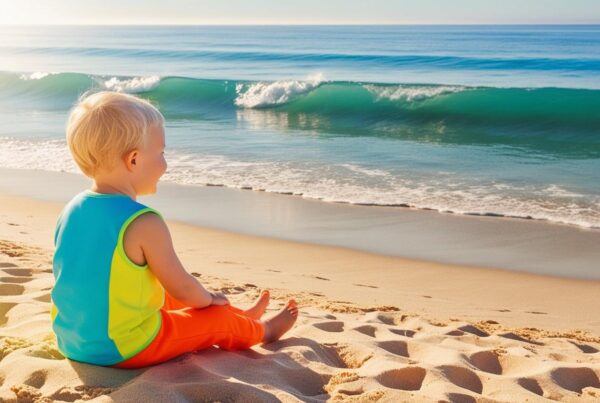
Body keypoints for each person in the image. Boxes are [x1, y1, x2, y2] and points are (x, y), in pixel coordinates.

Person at [51, 90, 298, 369]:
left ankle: (241, 317)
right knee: (211, 315)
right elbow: (182, 287)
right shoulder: (143, 222)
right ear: (133, 160)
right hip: (124, 347)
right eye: (161, 153)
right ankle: (264, 331)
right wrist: (209, 298)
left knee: (156, 292)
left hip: (72, 341)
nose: (165, 165)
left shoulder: (71, 208)